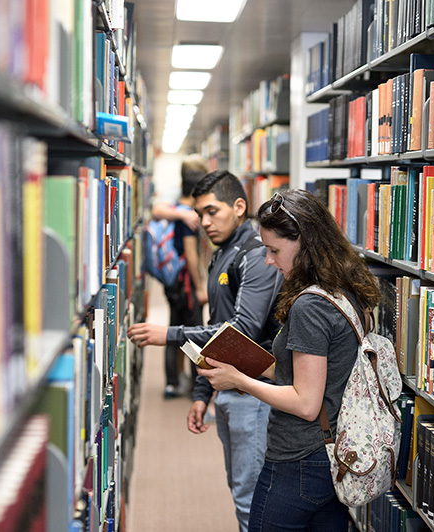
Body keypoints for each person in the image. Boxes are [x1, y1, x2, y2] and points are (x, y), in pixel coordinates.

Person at [195, 189, 381, 532]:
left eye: (274, 250)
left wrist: (239, 382)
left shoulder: (310, 306)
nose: (268, 260)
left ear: (305, 244)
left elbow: (306, 402)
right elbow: (314, 370)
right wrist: (246, 364)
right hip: (333, 453)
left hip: (298, 459)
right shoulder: (345, 289)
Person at [128, 170, 282, 532]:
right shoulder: (223, 253)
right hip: (230, 389)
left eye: (213, 211)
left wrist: (171, 334)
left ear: (239, 206)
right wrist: (202, 392)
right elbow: (220, 327)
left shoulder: (257, 254)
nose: (205, 222)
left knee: (251, 498)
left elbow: (242, 328)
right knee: (240, 491)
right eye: (200, 214)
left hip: (254, 394)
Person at [150, 154, 210, 398]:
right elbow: (191, 255)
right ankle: (197, 384)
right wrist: (199, 286)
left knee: (174, 328)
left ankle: (172, 382)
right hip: (185, 283)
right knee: (193, 332)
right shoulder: (190, 215)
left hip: (172, 282)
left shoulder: (177, 206)